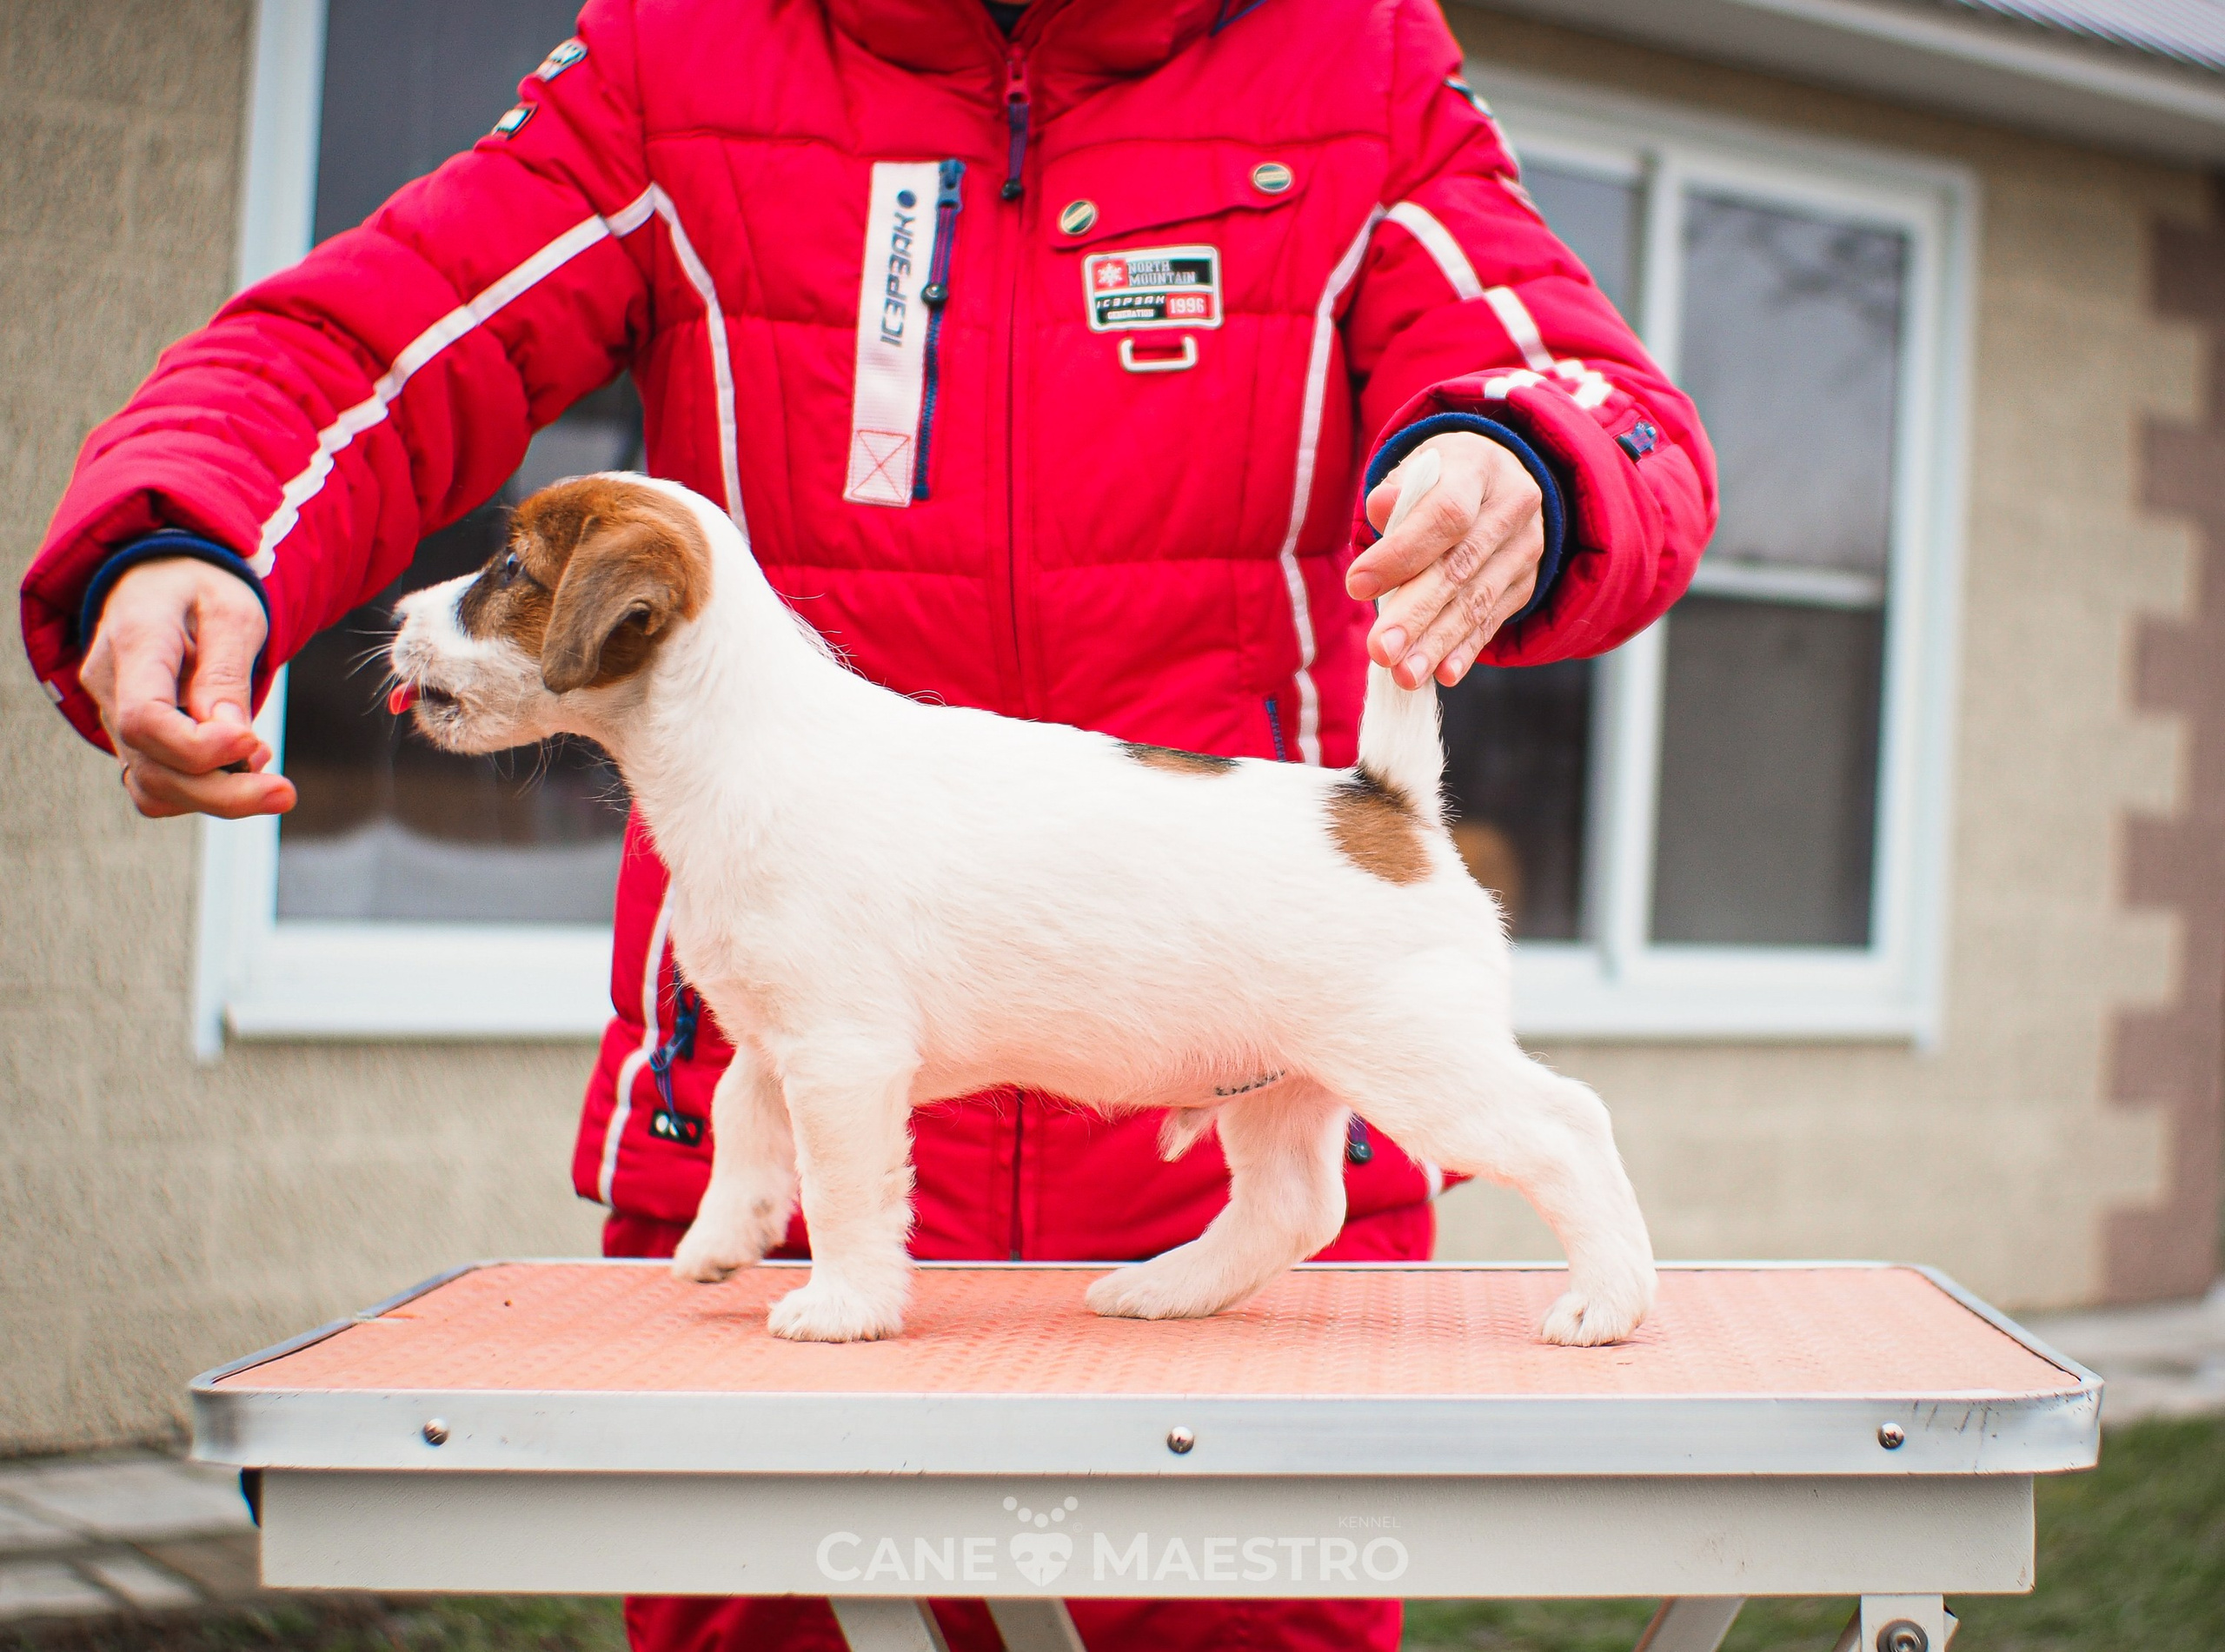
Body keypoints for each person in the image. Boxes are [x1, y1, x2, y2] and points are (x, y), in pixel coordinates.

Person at [20, 0, 1713, 1645]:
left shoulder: (1355, 58)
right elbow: (363, 341)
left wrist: (1529, 459)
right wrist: (181, 528)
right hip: (762, 1185)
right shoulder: (666, 58)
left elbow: (1585, 387)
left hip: (1225, 1060)